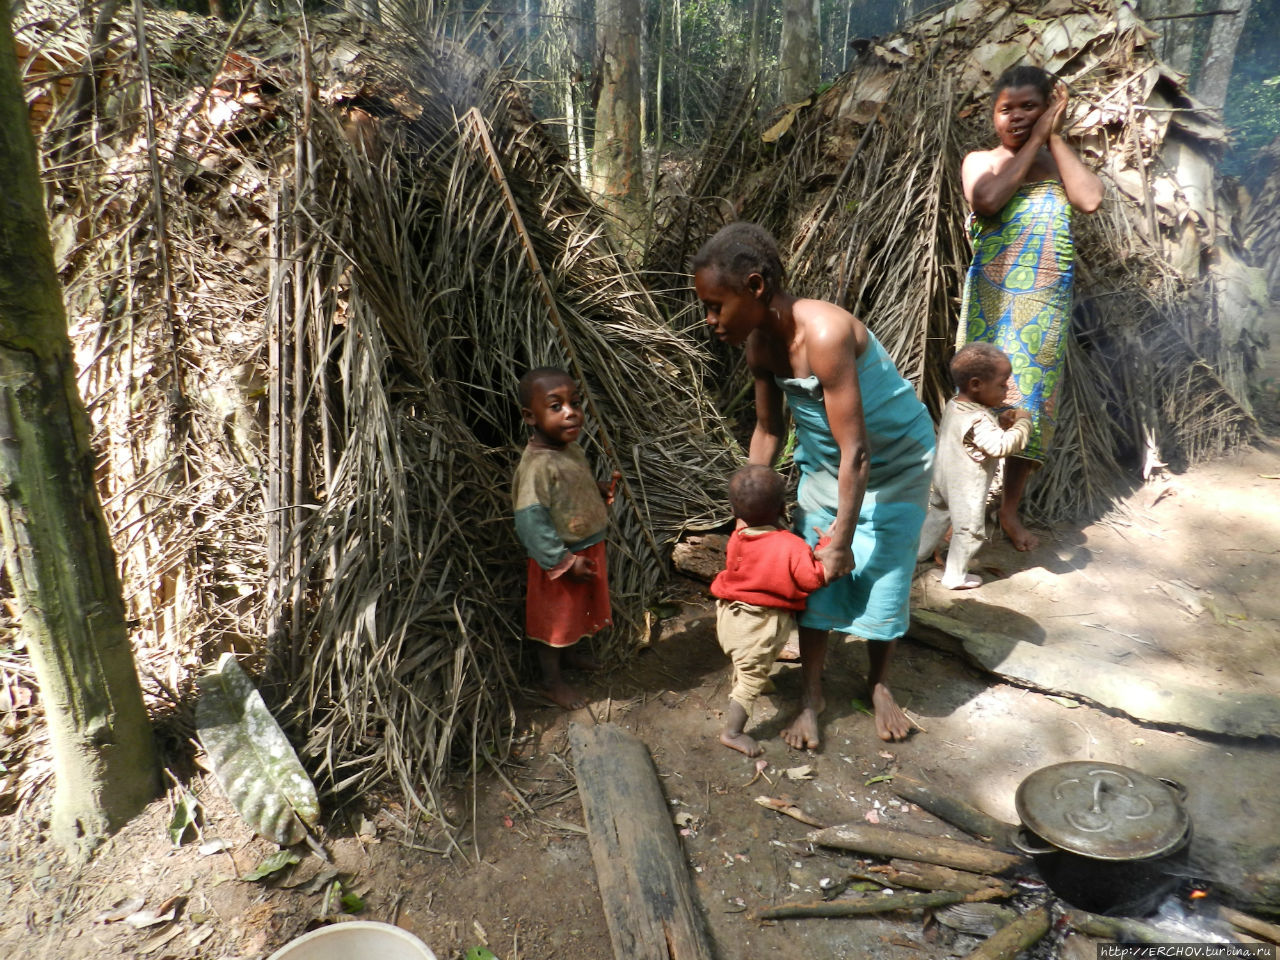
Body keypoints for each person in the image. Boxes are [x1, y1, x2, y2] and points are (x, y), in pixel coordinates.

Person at [693, 222, 936, 745]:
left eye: (716, 305)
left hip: (893, 465)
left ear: (755, 287)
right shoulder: (761, 346)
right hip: (829, 466)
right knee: (812, 576)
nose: (710, 320)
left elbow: (860, 449)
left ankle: (878, 684)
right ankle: (812, 695)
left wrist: (844, 539)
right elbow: (768, 430)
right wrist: (746, 521)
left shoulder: (825, 335)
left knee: (884, 575)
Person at [959, 64, 1103, 552]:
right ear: (992, 116)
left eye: (1029, 107)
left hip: (1043, 313)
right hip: (991, 307)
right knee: (976, 409)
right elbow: (989, 202)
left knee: (1031, 412)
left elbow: (1089, 200)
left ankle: (1009, 510)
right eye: (1006, 109)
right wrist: (1037, 137)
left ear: (1048, 108)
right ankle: (962, 514)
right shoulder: (980, 160)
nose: (1017, 117)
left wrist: (1052, 141)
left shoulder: (1057, 164)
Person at [512, 367, 619, 709]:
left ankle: (570, 657)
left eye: (575, 402)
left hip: (586, 550)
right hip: (559, 561)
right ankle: (551, 681)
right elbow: (532, 522)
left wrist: (595, 489)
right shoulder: (536, 467)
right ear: (530, 416)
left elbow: (569, 488)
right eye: (556, 406)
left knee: (575, 614)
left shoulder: (569, 449)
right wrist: (564, 562)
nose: (571, 412)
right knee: (554, 623)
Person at [710, 465, 829, 757]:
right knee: (749, 681)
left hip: (728, 616)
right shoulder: (792, 545)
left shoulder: (738, 536)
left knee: (745, 661)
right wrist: (826, 544)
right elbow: (811, 579)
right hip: (758, 624)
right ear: (782, 507)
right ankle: (733, 732)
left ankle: (752, 680)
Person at [917, 343, 1032, 589]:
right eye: (1002, 384)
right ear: (976, 385)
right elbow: (1000, 447)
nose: (1007, 389)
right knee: (968, 531)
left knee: (938, 514)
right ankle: (955, 576)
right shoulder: (978, 418)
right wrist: (1023, 424)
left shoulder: (955, 405)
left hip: (944, 479)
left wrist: (1000, 423)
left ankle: (920, 551)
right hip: (965, 487)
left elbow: (973, 440)